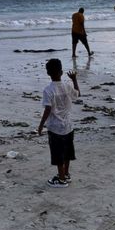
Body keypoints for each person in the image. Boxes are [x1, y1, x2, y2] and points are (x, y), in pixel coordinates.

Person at [38, 59, 80, 188]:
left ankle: (61, 179)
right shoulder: (67, 86)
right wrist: (74, 79)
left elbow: (48, 109)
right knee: (67, 152)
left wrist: (40, 125)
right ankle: (66, 174)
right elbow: (77, 95)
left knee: (57, 154)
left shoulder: (48, 90)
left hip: (55, 127)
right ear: (61, 72)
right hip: (68, 125)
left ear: (48, 73)